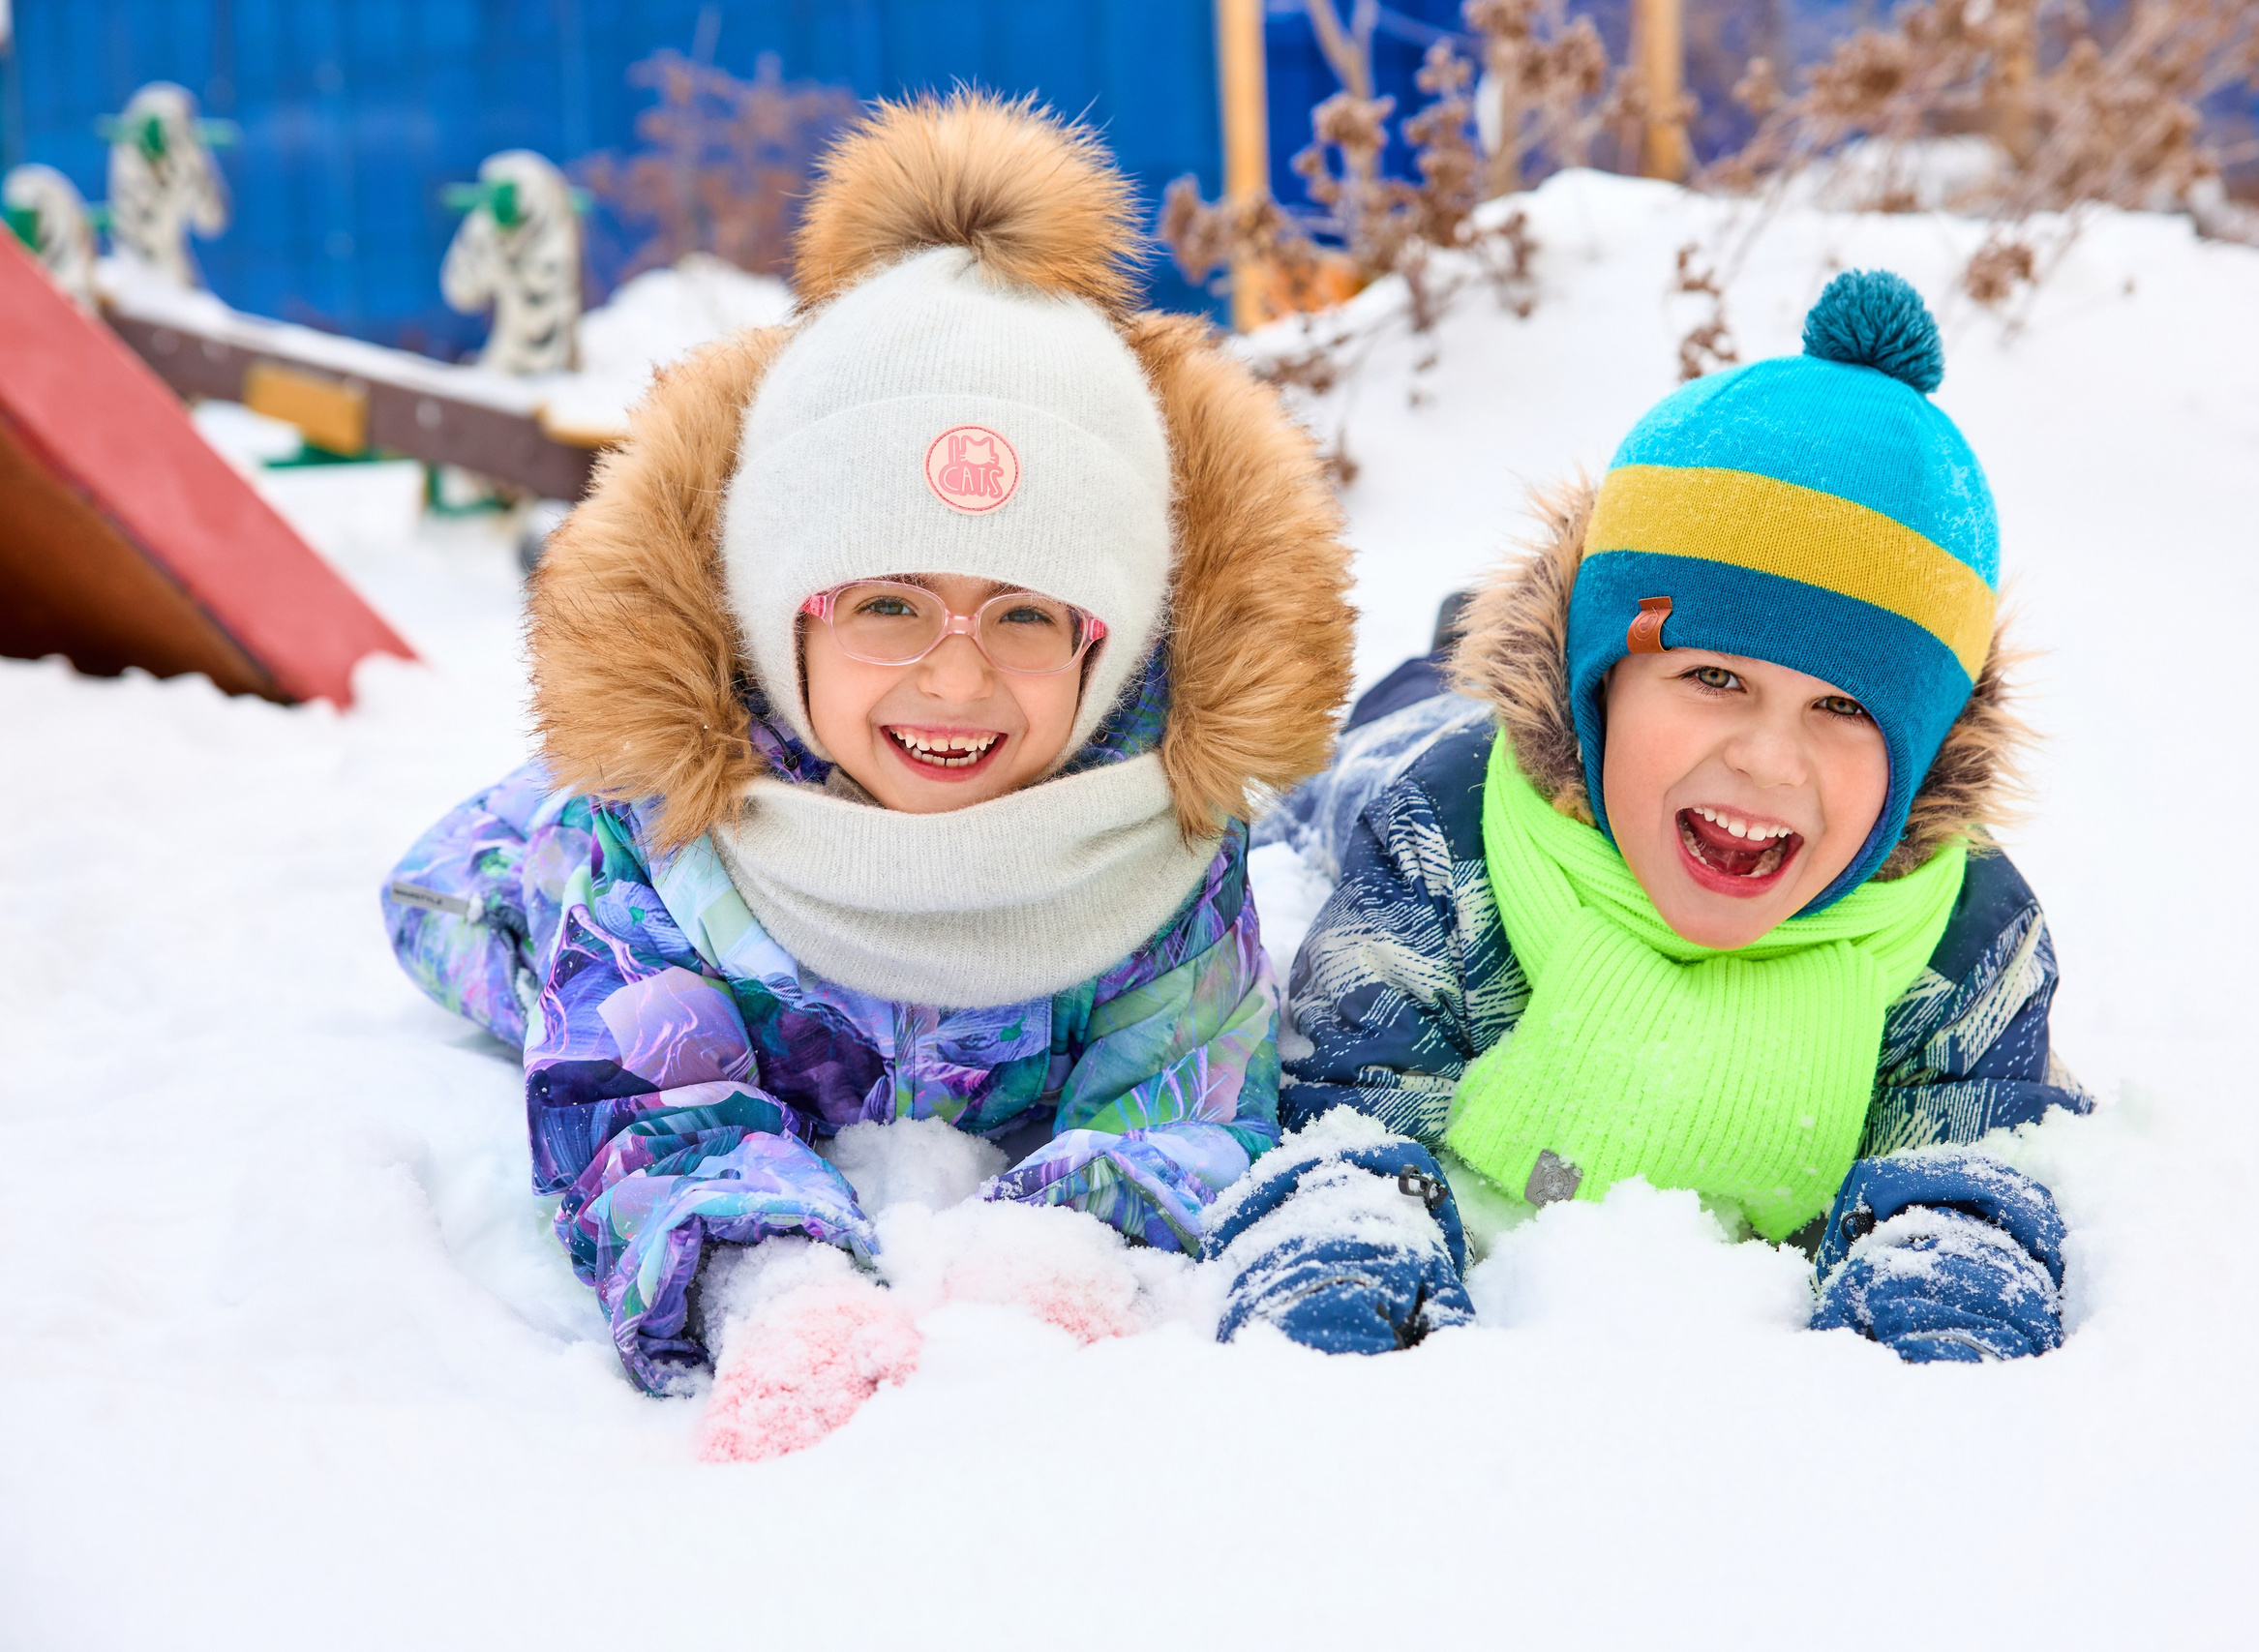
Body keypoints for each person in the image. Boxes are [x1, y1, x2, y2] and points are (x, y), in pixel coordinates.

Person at [380, 95, 1351, 1457]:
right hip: (553, 868)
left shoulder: (1157, 835)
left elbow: (1189, 1083)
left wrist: (1064, 1240)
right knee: (500, 892)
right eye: (889, 604)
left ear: (1111, 642)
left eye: (1025, 614)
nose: (955, 680)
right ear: (785, 618)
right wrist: (767, 1275)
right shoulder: (667, 836)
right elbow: (647, 1096)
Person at [1216, 271, 2090, 1365]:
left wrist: (1944, 1278)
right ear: (1599, 684)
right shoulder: (1445, 844)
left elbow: (1974, 1161)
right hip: (1412, 746)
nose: (1768, 758)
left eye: (1841, 707)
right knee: (1365, 748)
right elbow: (1347, 1106)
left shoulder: (1960, 941)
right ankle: (1447, 648)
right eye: (1714, 679)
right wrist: (1350, 1255)